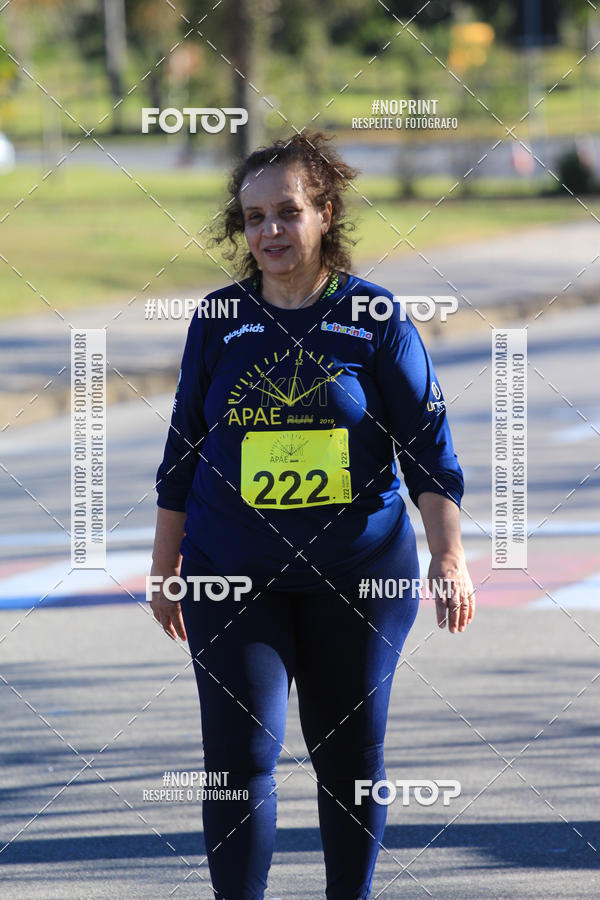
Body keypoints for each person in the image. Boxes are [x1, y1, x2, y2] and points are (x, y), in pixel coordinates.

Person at [149, 131, 475, 899]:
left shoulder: (375, 318)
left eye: (287, 212)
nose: (269, 231)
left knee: (350, 757)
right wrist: (165, 567)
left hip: (357, 575)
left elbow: (429, 451)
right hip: (232, 573)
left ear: (324, 213)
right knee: (237, 761)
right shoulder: (219, 319)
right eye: (254, 216)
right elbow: (182, 452)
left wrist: (449, 555)